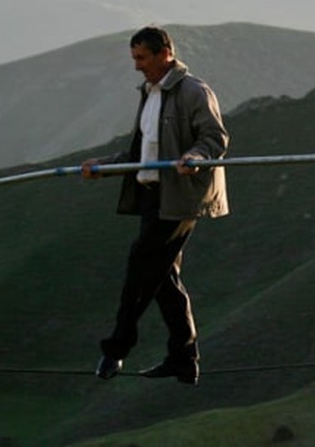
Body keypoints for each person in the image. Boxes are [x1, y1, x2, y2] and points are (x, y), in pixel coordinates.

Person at [82, 25, 229, 384]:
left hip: (178, 200)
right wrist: (104, 166)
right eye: (134, 58)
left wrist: (195, 155)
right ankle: (184, 358)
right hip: (152, 198)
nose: (137, 66)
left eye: (142, 58)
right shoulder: (150, 93)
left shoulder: (194, 91)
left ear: (165, 53)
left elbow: (215, 137)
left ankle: (115, 351)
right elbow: (141, 153)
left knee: (139, 271)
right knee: (163, 279)